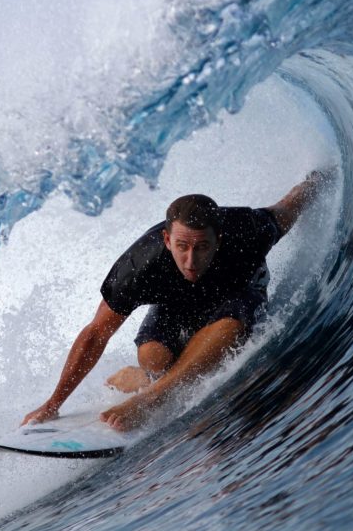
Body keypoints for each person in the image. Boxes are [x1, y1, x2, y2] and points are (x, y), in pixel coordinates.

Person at [22, 169, 331, 432]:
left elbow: (290, 205)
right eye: (182, 246)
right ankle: (143, 377)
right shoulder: (139, 267)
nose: (191, 259)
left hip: (239, 293)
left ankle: (150, 396)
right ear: (167, 240)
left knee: (229, 328)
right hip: (178, 302)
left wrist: (321, 177)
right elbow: (97, 333)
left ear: (219, 239)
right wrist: (52, 404)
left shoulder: (248, 230)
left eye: (202, 247)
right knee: (155, 359)